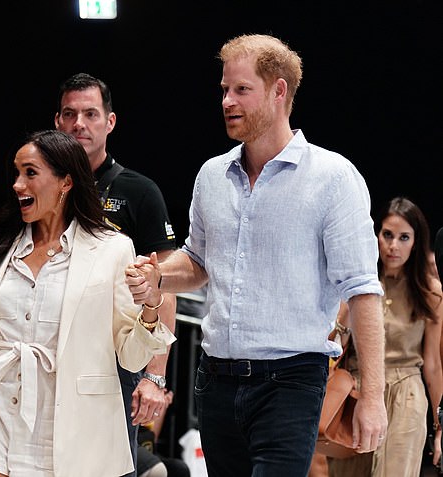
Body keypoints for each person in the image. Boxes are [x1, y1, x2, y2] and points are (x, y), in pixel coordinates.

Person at [125, 33, 388, 476]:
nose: (227, 100)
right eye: (224, 89)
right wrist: (158, 276)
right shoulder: (212, 175)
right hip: (216, 380)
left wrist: (374, 398)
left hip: (292, 381)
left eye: (242, 89)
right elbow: (198, 262)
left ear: (279, 90)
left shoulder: (333, 178)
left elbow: (363, 290)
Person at [0, 129, 175, 477]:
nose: (17, 184)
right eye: (16, 173)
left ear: (65, 182)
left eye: (30, 173)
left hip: (66, 422)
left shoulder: (112, 249)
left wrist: (151, 306)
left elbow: (130, 355)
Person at [54, 72, 178, 476]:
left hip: (114, 362)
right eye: (70, 114)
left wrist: (154, 376)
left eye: (91, 114)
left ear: (110, 122)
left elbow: (167, 286)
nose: (79, 124)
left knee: (109, 467)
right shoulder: (41, 187)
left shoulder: (139, 191)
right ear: (57, 121)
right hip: (50, 357)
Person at [328, 196, 443, 476]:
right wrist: (346, 311)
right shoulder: (355, 285)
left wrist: (440, 427)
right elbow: (333, 348)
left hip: (407, 393)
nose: (393, 246)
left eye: (404, 237)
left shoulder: (431, 292)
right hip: (356, 392)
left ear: (416, 242)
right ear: (375, 235)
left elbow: (433, 365)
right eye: (387, 235)